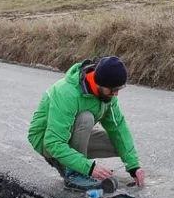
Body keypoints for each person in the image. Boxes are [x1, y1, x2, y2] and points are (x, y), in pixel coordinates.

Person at [27, 56, 145, 191]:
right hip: (46, 140)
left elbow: (118, 128)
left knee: (119, 142)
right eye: (113, 89)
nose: (116, 93)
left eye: (119, 88)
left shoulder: (107, 95)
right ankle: (74, 173)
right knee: (86, 118)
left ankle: (76, 164)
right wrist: (89, 168)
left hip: (70, 135)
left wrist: (133, 166)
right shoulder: (66, 93)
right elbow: (53, 142)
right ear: (98, 83)